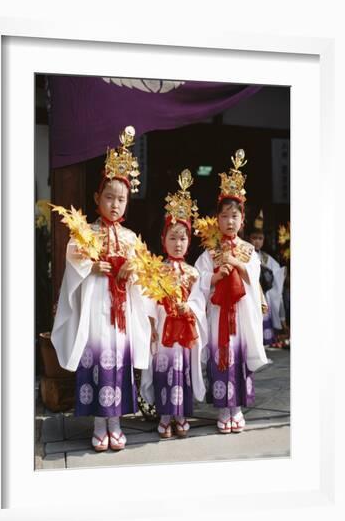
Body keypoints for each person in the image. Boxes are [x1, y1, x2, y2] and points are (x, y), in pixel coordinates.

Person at [51, 126, 152, 452]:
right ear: (97, 198)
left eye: (121, 199)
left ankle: (116, 422)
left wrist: (132, 270)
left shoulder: (131, 238)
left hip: (121, 312)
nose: (115, 204)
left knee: (118, 360)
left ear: (127, 203)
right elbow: (72, 264)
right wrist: (91, 266)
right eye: (109, 197)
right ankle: (98, 422)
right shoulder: (86, 233)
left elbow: (143, 275)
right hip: (96, 309)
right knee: (96, 359)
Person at [195, 150, 268, 434]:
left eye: (234, 216)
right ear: (217, 219)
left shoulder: (249, 250)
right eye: (224, 216)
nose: (229, 221)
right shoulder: (210, 252)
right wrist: (214, 277)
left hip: (240, 316)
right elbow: (199, 279)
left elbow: (254, 276)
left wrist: (236, 262)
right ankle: (223, 410)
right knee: (221, 358)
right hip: (218, 316)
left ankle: (236, 408)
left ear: (242, 219)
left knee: (237, 360)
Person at [140, 170, 207, 439]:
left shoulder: (193, 272)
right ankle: (165, 415)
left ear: (189, 242)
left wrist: (189, 307)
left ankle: (181, 415)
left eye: (183, 238)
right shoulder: (157, 269)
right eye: (173, 238)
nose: (178, 243)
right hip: (165, 328)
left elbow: (200, 300)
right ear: (163, 240)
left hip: (185, 329)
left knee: (183, 372)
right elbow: (147, 300)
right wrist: (153, 322)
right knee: (164, 370)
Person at [248, 212, 287, 348]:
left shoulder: (265, 257)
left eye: (260, 238)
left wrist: (283, 272)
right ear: (249, 238)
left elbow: (277, 271)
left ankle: (265, 341)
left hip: (262, 293)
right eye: (254, 238)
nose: (257, 241)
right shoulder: (244, 253)